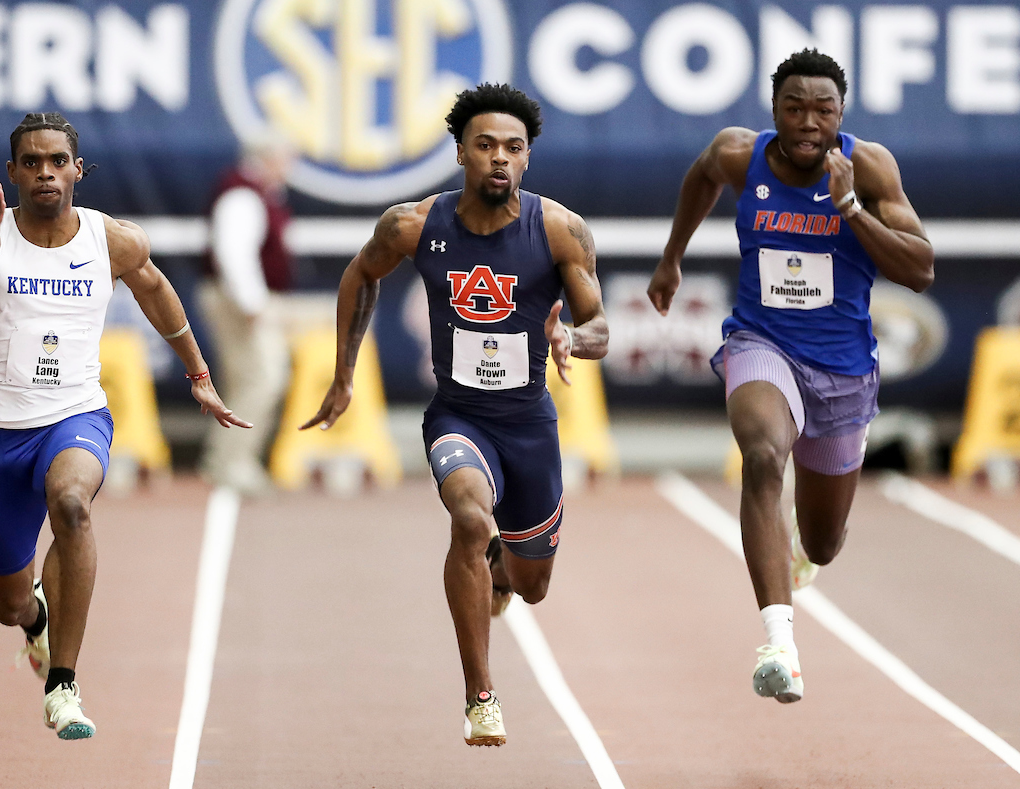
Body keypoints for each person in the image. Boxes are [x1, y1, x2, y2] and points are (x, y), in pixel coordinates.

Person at [0, 112, 250, 739]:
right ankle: (35, 620)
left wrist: (199, 374)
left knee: (72, 505)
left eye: (57, 161)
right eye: (31, 162)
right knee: (7, 603)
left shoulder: (111, 240)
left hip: (75, 417)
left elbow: (156, 292)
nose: (45, 172)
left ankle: (63, 684)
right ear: (13, 172)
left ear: (77, 169)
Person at [302, 84, 608, 745]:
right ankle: (480, 697)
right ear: (462, 153)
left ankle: (504, 566)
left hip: (529, 427)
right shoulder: (413, 225)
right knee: (469, 517)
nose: (500, 158)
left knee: (533, 588)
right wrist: (346, 374)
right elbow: (361, 276)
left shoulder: (559, 229)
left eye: (514, 148)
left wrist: (573, 338)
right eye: (487, 146)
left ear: (527, 159)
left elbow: (598, 325)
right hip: (457, 419)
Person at [647, 49, 934, 703]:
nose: (808, 122)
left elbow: (920, 271)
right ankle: (779, 642)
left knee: (827, 543)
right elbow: (699, 179)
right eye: (794, 107)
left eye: (823, 109)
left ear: (842, 113)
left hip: (842, 370)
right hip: (761, 343)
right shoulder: (737, 155)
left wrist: (853, 209)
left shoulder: (868, 167)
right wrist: (672, 258)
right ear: (773, 110)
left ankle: (805, 545)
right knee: (763, 454)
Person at [197, 140, 297, 494]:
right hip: (238, 300)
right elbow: (234, 252)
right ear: (267, 157)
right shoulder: (243, 194)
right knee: (262, 378)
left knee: (246, 380)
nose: (290, 166)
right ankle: (233, 463)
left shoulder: (260, 192)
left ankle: (224, 460)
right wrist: (251, 303)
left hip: (239, 298)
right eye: (286, 158)